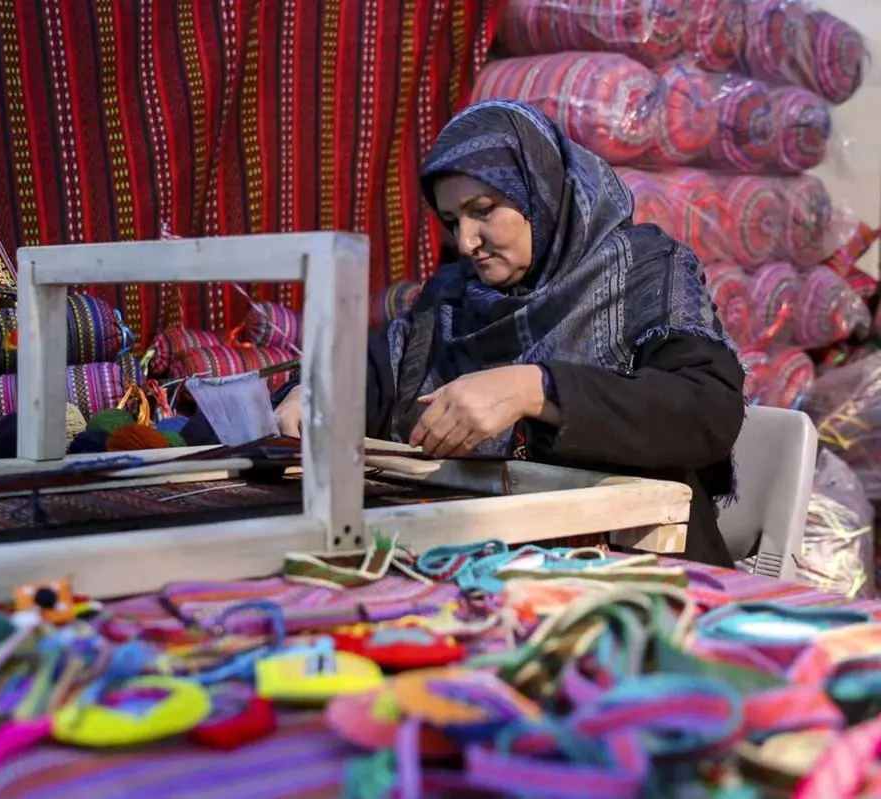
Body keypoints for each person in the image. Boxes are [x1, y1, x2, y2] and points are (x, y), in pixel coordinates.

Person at [191, 100, 746, 567]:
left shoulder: (644, 271)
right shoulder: (456, 299)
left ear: (541, 192)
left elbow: (706, 411)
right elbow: (375, 372)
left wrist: (536, 389)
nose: (467, 241)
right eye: (453, 221)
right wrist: (311, 395)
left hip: (640, 564)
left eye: (484, 210)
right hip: (494, 562)